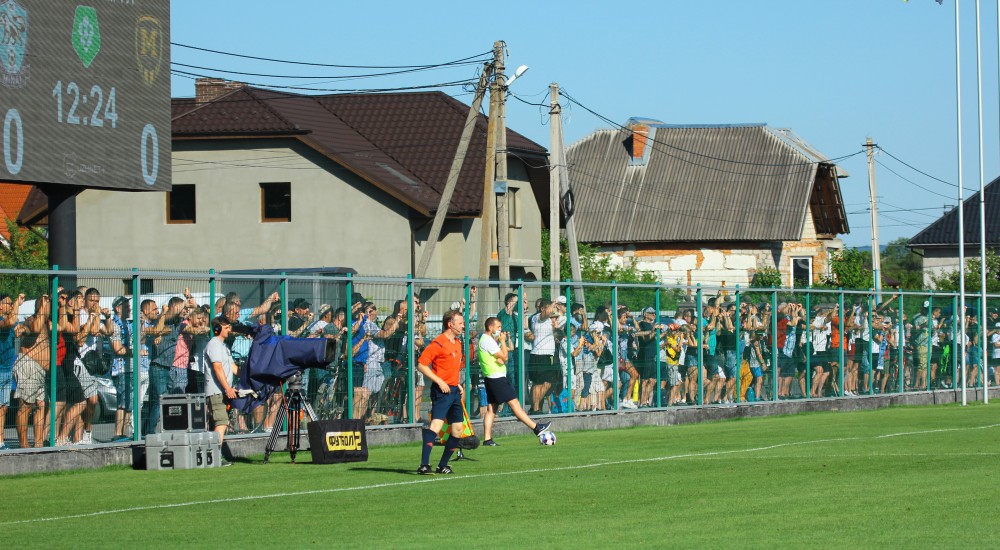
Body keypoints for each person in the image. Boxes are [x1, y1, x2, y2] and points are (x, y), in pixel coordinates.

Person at [478, 317, 552, 446]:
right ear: (490, 327)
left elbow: (501, 358)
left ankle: (487, 439)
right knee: (515, 404)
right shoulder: (488, 341)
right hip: (497, 378)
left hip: (492, 377)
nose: (500, 330)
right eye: (498, 327)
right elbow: (505, 357)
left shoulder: (487, 340)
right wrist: (502, 341)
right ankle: (536, 428)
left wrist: (502, 349)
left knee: (492, 409)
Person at [415, 309, 468, 475]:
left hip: (454, 391)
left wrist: (458, 384)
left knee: (458, 430)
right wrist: (439, 381)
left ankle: (442, 465)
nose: (463, 325)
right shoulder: (437, 343)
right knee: (436, 425)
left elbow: (452, 368)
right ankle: (424, 465)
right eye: (460, 323)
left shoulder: (458, 343)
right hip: (441, 391)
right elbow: (421, 364)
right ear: (450, 324)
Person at [203, 317, 236, 458]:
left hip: (222, 390)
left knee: (221, 422)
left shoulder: (223, 346)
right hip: (217, 391)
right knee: (221, 422)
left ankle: (214, 455)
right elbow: (217, 368)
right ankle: (214, 456)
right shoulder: (214, 344)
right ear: (218, 329)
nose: (230, 330)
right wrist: (227, 388)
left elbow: (233, 368)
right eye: (227, 327)